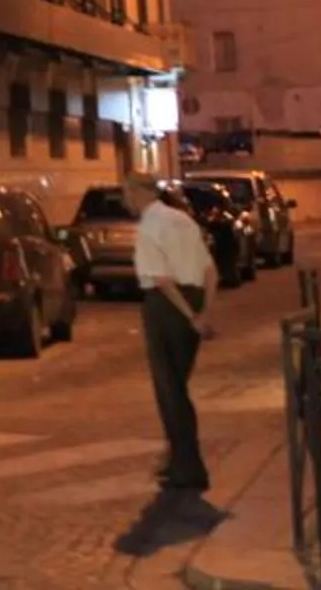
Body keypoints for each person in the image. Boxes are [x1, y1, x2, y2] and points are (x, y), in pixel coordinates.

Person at [135, 179, 218, 492]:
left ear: (139, 193)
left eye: (128, 193)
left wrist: (190, 316)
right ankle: (178, 459)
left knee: (169, 390)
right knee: (177, 386)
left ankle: (189, 467)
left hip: (165, 307)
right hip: (193, 297)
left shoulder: (149, 225)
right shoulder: (184, 220)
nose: (126, 200)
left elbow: (161, 279)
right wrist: (204, 311)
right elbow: (211, 271)